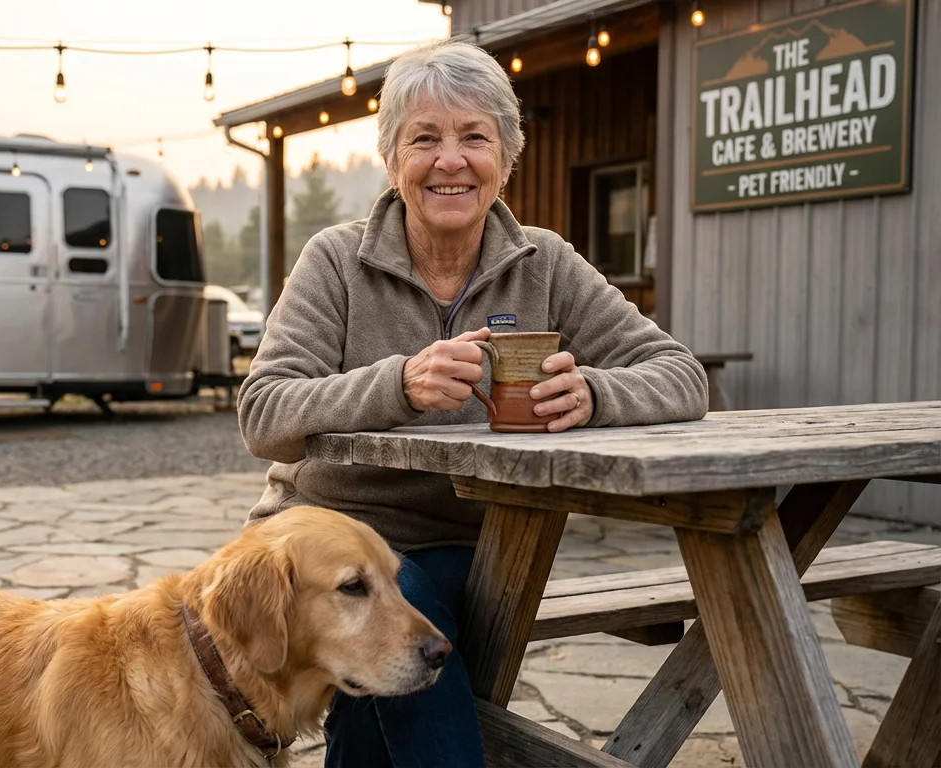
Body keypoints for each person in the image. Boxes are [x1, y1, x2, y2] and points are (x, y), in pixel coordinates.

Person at [235, 38, 708, 767]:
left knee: (403, 650)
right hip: (331, 538)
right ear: (393, 160)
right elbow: (263, 411)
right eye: (424, 139)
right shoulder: (337, 258)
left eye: (474, 138)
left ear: (506, 158)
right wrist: (397, 384)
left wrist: (594, 392)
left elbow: (680, 376)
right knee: (405, 624)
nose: (450, 160)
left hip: (482, 544)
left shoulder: (544, 262)